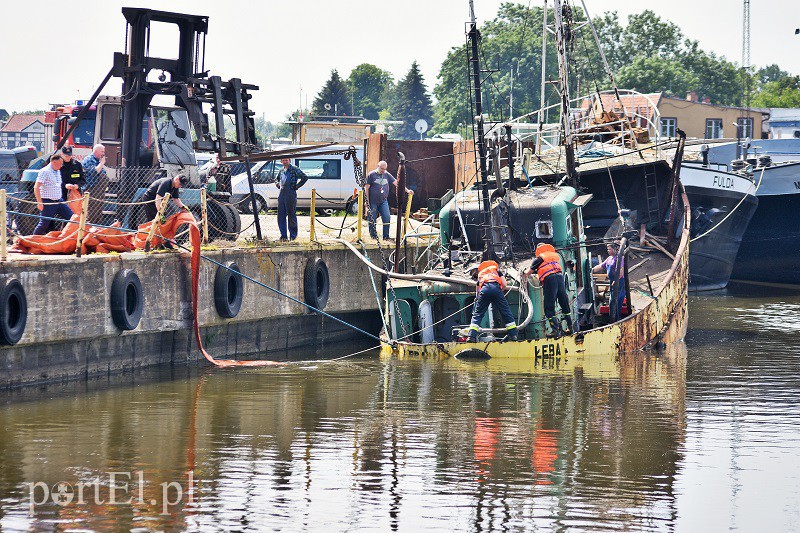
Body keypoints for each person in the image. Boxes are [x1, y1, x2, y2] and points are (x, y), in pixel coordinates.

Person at [523, 243, 573, 336]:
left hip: (550, 280)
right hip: (559, 278)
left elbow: (528, 272)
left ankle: (555, 331)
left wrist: (524, 272)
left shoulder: (539, 258)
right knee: (564, 303)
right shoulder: (554, 257)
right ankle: (570, 328)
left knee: (548, 307)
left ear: (539, 250)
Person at [467, 259, 518, 342]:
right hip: (496, 288)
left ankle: (471, 336)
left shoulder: (481, 273)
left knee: (478, 314)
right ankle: (513, 335)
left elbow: (478, 292)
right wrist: (498, 293)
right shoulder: (497, 270)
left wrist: (478, 299)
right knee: (506, 312)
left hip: (484, 290)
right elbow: (504, 284)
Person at [365, 160, 409, 240]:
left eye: (384, 169)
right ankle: (373, 236)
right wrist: (367, 201)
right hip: (373, 201)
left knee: (387, 217)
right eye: (382, 169)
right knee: (372, 219)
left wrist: (407, 190)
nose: (383, 170)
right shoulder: (371, 175)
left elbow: (397, 183)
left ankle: (386, 236)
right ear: (378, 166)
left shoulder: (387, 174)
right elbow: (367, 188)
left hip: (383, 201)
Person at [33, 154, 75, 235]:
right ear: (54, 162)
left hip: (59, 201)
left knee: (72, 218)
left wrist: (66, 186)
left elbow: (57, 184)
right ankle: (31, 241)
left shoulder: (58, 171)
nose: (61, 166)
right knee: (43, 224)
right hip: (48, 202)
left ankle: (70, 238)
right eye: (60, 163)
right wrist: (39, 202)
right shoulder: (45, 171)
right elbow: (36, 187)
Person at [275, 157, 308, 241]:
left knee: (291, 215)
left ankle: (293, 236)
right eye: (283, 160)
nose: (285, 161)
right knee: (281, 216)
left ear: (289, 160)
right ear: (281, 161)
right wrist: (277, 184)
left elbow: (304, 177)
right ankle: (283, 236)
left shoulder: (294, 169)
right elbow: (276, 179)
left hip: (291, 194)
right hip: (281, 195)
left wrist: (297, 186)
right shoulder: (281, 171)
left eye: (287, 160)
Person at [593, 242, 626, 320]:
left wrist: (616, 280)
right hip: (612, 282)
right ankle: (612, 318)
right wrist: (592, 270)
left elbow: (621, 271)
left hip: (619, 282)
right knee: (611, 301)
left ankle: (617, 319)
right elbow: (601, 266)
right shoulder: (609, 258)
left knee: (617, 301)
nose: (608, 251)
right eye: (607, 249)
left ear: (615, 249)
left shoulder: (619, 258)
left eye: (610, 249)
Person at [82, 144, 108, 223]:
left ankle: (96, 230)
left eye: (104, 152)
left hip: (99, 190)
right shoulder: (89, 159)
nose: (103, 154)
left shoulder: (97, 161)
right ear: (95, 151)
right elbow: (95, 171)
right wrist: (102, 163)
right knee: (91, 212)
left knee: (98, 212)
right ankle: (88, 230)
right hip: (92, 189)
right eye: (102, 151)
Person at [59, 146, 85, 215]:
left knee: (73, 213)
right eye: (66, 155)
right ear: (62, 154)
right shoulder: (58, 164)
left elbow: (82, 179)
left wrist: (77, 185)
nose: (68, 157)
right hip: (61, 192)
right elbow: (54, 180)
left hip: (74, 192)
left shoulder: (77, 164)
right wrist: (65, 185)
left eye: (69, 155)